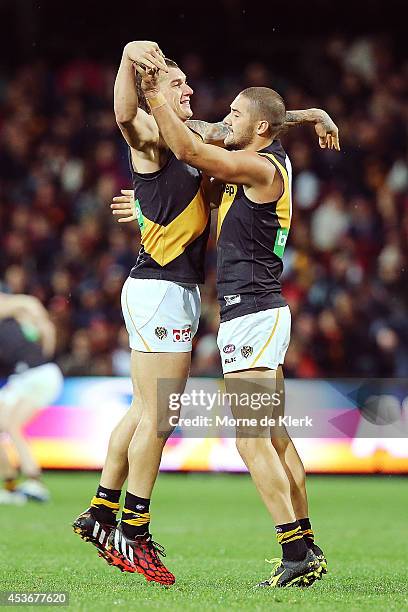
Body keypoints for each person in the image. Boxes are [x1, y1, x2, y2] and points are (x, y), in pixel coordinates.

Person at [73, 40, 339, 587]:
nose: (195, 94)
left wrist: (298, 116)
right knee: (163, 416)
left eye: (236, 114)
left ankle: (104, 511)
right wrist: (133, 68)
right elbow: (128, 116)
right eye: (179, 84)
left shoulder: (233, 153)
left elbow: (212, 148)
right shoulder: (160, 132)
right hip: (170, 290)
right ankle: (130, 525)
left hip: (238, 306)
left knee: (177, 416)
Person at [0, 293, 63, 504]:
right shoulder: (17, 312)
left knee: (13, 426)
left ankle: (35, 483)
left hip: (37, 373)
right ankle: (10, 486)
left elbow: (45, 327)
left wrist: (44, 356)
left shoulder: (18, 307)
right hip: (21, 377)